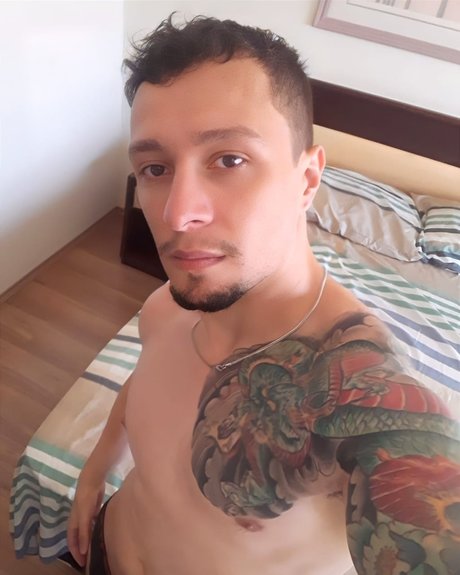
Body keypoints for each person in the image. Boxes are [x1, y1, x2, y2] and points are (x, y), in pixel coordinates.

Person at [67, 14, 460, 575]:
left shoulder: (357, 394)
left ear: (307, 180)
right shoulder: (163, 309)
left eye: (229, 160)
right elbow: (144, 386)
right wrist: (95, 470)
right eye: (155, 168)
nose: (178, 213)